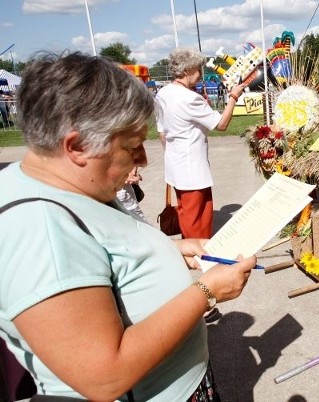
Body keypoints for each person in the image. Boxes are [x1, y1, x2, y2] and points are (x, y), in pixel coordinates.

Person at [0, 51, 256, 401]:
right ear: (76, 146)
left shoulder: (64, 183)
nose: (144, 159)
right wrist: (206, 292)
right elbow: (104, 376)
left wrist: (171, 250)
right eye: (133, 146)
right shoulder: (38, 229)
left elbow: (100, 251)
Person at [155, 46, 248, 239]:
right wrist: (233, 97)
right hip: (192, 167)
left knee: (186, 212)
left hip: (175, 163)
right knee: (198, 216)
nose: (200, 74)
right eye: (198, 70)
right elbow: (221, 124)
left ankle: (191, 248)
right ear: (187, 70)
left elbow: (161, 133)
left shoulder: (163, 93)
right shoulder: (189, 98)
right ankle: (198, 254)